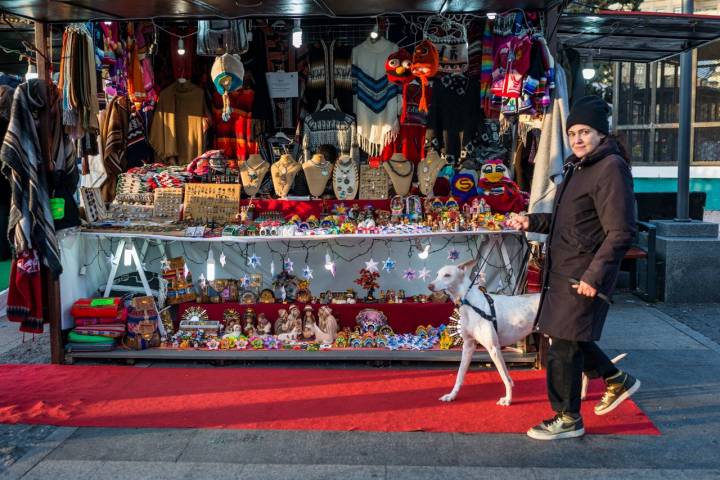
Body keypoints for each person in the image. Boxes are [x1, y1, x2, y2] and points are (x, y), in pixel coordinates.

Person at [506, 95, 641, 440]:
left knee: (563, 345)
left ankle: (567, 418)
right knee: (568, 335)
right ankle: (616, 379)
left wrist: (594, 277)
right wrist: (530, 220)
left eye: (585, 131)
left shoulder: (610, 168)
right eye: (573, 133)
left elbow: (621, 230)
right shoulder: (579, 167)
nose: (578, 139)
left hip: (583, 274)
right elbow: (569, 221)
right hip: (564, 270)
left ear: (601, 133)